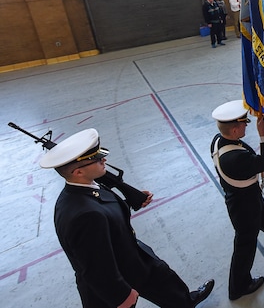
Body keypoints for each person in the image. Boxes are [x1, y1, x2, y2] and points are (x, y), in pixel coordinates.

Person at [39, 128, 215, 308]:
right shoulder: (85, 216)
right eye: (97, 159)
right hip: (113, 277)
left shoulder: (85, 187)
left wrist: (130, 201)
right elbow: (94, 267)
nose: (104, 160)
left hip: (130, 257)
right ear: (78, 172)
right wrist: (120, 295)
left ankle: (186, 302)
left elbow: (103, 208)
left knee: (166, 282)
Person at [210, 100, 264, 301]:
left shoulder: (218, 140)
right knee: (245, 244)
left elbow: (245, 151)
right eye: (242, 124)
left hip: (244, 196)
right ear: (233, 131)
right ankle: (238, 286)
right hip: (243, 204)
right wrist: (263, 134)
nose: (246, 125)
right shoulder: (235, 159)